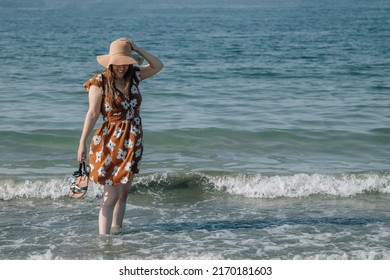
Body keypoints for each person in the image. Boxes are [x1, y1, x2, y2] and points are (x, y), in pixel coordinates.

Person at [77, 38, 163, 235]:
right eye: (119, 63)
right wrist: (82, 143)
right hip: (109, 142)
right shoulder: (98, 82)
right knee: (110, 196)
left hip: (133, 140)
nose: (122, 67)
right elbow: (92, 114)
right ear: (110, 62)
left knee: (124, 193)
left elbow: (159, 65)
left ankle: (117, 234)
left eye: (126, 62)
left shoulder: (134, 76)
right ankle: (104, 240)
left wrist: (137, 48)